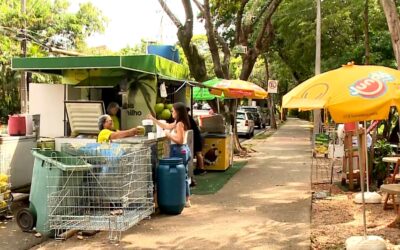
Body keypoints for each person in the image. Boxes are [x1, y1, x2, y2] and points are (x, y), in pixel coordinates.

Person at [148, 102, 192, 207]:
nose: (172, 112)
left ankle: (186, 199)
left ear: (178, 112)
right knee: (182, 174)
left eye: (173, 111)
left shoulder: (180, 124)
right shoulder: (177, 122)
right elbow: (166, 126)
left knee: (182, 174)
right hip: (180, 150)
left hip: (179, 149)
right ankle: (183, 198)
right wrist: (153, 119)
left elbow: (180, 140)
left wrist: (168, 135)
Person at [187, 107, 206, 176]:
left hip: (196, 138)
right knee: (198, 153)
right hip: (196, 137)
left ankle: (201, 169)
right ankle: (199, 168)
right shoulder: (188, 117)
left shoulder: (187, 118)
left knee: (198, 153)